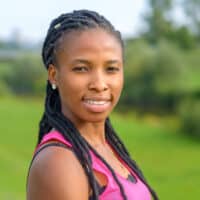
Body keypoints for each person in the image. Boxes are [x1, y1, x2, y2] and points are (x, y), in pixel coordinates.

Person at [26, 9, 158, 200]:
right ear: (54, 75)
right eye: (81, 69)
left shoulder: (107, 148)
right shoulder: (59, 162)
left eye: (111, 69)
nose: (99, 84)